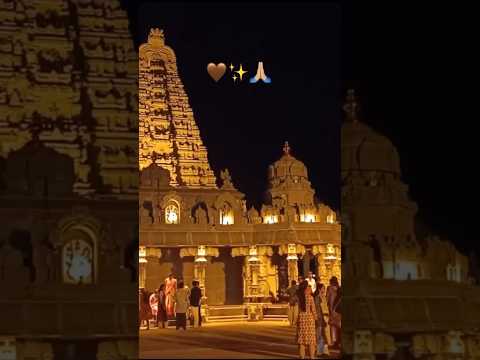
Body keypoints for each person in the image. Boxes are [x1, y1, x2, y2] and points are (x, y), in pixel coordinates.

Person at [296, 280, 317, 359]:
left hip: (301, 318)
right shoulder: (310, 297)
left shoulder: (299, 298)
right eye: (308, 286)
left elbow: (297, 310)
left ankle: (302, 356)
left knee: (302, 340)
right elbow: (313, 310)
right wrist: (316, 318)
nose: (309, 288)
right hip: (310, 319)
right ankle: (312, 357)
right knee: (311, 340)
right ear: (306, 288)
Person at [313, 282, 330, 357]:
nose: (324, 289)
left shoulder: (323, 297)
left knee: (324, 335)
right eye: (323, 288)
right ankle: (320, 352)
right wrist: (318, 318)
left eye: (325, 288)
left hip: (325, 318)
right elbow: (317, 309)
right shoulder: (317, 298)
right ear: (319, 289)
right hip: (320, 318)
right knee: (320, 335)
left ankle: (325, 351)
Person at [326, 276, 340, 349]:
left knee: (332, 325)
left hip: (332, 309)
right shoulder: (339, 288)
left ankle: (334, 341)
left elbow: (327, 298)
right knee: (338, 325)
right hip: (338, 309)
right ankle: (338, 341)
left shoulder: (329, 288)